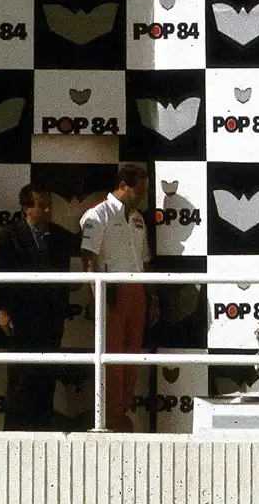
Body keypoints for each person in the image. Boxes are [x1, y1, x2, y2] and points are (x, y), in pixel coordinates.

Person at [80, 165, 160, 433]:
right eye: (139, 189)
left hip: (138, 290)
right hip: (111, 289)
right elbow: (88, 259)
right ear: (123, 185)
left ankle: (122, 414)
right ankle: (110, 418)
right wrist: (98, 296)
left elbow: (145, 261)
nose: (142, 195)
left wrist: (153, 296)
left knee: (132, 357)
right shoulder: (97, 214)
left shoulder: (138, 218)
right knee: (112, 358)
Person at [0, 185, 74, 431]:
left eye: (50, 204)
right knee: (20, 379)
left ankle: (44, 434)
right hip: (21, 318)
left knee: (47, 377)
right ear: (27, 208)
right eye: (42, 205)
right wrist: (3, 312)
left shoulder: (62, 237)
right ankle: (15, 436)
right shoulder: (7, 236)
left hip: (51, 319)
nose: (49, 210)